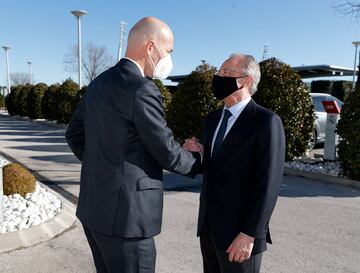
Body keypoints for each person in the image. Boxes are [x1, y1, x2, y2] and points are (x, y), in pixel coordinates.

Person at [65, 17, 202, 273]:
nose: (169, 59)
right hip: (127, 221)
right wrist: (199, 159)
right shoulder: (142, 89)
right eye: (168, 51)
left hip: (94, 213)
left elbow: (74, 134)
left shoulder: (98, 83)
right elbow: (167, 152)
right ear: (151, 47)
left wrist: (106, 165)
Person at [185, 53, 285, 273]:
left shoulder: (265, 121)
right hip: (210, 230)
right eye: (219, 72)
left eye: (226, 73)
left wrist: (250, 233)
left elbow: (269, 184)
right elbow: (215, 165)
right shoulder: (213, 119)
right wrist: (198, 153)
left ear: (247, 81)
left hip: (240, 237)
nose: (219, 77)